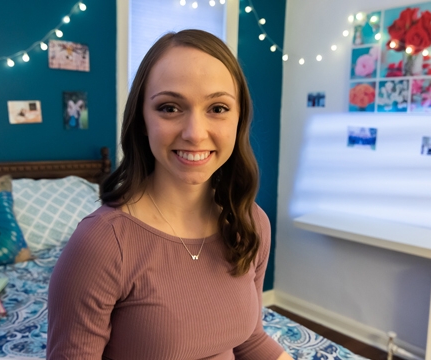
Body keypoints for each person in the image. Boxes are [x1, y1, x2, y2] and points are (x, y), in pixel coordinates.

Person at [46, 29, 292, 360]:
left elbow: (249, 339)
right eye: (170, 107)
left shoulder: (251, 223)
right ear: (142, 120)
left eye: (218, 108)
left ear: (238, 119)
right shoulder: (102, 244)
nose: (195, 133)